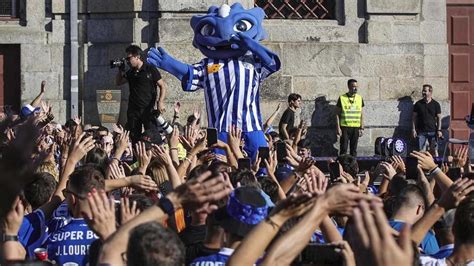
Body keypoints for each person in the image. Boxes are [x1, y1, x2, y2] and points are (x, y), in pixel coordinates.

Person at [116, 45, 167, 143]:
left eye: (129, 58)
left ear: (137, 56)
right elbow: (119, 82)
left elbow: (162, 86)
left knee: (152, 135)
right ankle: (136, 157)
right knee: (134, 136)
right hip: (133, 110)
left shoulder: (150, 69)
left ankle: (156, 156)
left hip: (148, 109)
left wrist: (160, 102)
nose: (127, 60)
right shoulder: (131, 72)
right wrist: (120, 70)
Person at [336, 79, 364, 157]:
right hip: (345, 127)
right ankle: (341, 167)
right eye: (353, 86)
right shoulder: (342, 98)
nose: (355, 88)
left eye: (356, 86)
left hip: (356, 127)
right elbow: (337, 114)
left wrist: (362, 127)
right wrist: (338, 128)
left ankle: (353, 167)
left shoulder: (359, 98)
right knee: (343, 148)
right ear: (348, 87)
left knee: (354, 150)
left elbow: (361, 113)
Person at [412, 84, 442, 156]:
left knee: (434, 151)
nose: (423, 93)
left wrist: (439, 130)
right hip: (421, 131)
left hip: (433, 132)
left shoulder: (436, 104)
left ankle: (435, 165)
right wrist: (413, 129)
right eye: (423, 91)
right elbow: (414, 118)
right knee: (420, 151)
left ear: (430, 92)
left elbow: (439, 118)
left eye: (425, 91)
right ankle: (421, 166)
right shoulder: (418, 104)